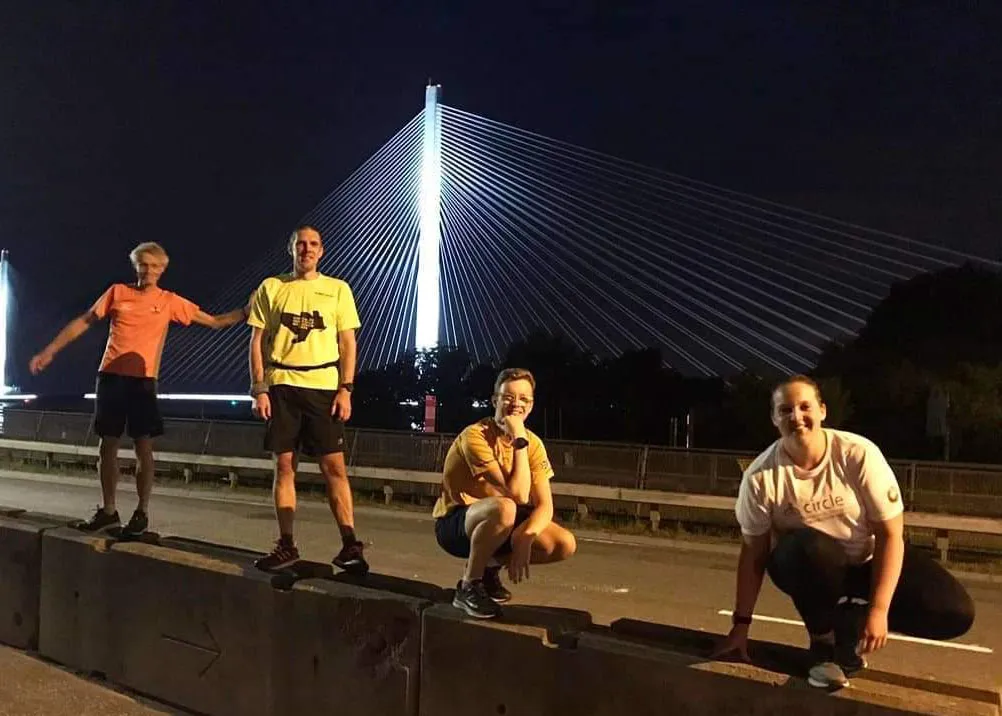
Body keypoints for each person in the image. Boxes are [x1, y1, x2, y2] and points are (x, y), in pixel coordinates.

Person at [714, 374, 975, 689]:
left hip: (867, 559)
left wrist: (878, 610)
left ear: (822, 411)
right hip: (812, 568)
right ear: (774, 418)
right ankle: (823, 642)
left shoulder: (857, 454)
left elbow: (890, 535)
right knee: (805, 547)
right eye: (785, 410)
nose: (796, 416)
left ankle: (850, 623)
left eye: (805, 406)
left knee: (956, 612)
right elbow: (754, 552)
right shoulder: (761, 477)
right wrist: (741, 626)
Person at [28, 242, 249, 537]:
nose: (149, 271)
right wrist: (50, 351)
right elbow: (85, 321)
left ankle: (141, 512)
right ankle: (108, 511)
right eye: (143, 264)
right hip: (110, 377)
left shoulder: (169, 301)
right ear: (136, 266)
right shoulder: (117, 292)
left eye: (155, 266)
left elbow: (215, 322)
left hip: (143, 381)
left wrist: (247, 310)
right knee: (107, 445)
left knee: (143, 447)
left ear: (163, 269)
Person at [247, 225, 367, 575]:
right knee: (284, 466)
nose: (307, 249)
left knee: (335, 468)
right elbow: (257, 341)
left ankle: (350, 544)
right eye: (300, 244)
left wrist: (346, 388)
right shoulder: (272, 287)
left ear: (321, 251)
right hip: (282, 384)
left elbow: (347, 343)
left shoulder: (338, 289)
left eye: (313, 244)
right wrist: (259, 388)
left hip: (323, 386)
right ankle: (286, 544)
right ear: (291, 249)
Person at [433, 367, 577, 618]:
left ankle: (489, 568)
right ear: (494, 401)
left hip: (501, 521)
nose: (516, 404)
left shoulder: (534, 444)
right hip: (457, 523)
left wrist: (526, 535)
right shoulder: (475, 436)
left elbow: (545, 505)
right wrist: (519, 438)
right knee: (505, 507)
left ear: (531, 405)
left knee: (563, 543)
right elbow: (517, 495)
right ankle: (469, 585)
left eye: (524, 399)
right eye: (508, 397)